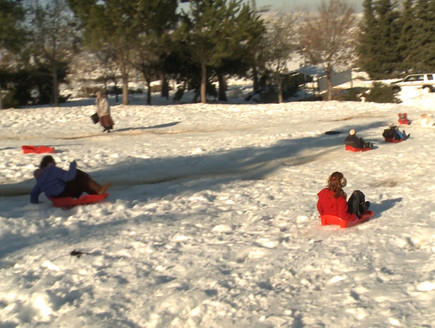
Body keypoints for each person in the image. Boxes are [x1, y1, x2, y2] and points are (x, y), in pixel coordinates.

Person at [30, 155, 111, 204]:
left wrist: (34, 202)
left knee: (78, 180)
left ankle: (95, 191)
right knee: (78, 174)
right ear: (51, 162)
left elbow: (34, 193)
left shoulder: (40, 178)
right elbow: (70, 176)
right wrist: (72, 166)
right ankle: (98, 190)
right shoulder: (52, 170)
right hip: (65, 193)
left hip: (56, 198)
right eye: (54, 162)